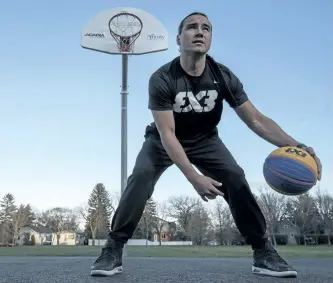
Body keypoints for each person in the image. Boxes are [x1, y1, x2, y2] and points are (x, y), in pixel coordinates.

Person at [90, 12, 322, 278]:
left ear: (210, 38)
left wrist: (298, 145)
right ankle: (113, 248)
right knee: (141, 177)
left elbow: (256, 120)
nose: (199, 32)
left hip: (205, 140)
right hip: (163, 139)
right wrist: (193, 176)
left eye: (206, 28)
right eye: (191, 27)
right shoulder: (162, 78)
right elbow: (167, 133)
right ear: (179, 39)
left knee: (235, 177)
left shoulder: (223, 76)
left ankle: (262, 251)